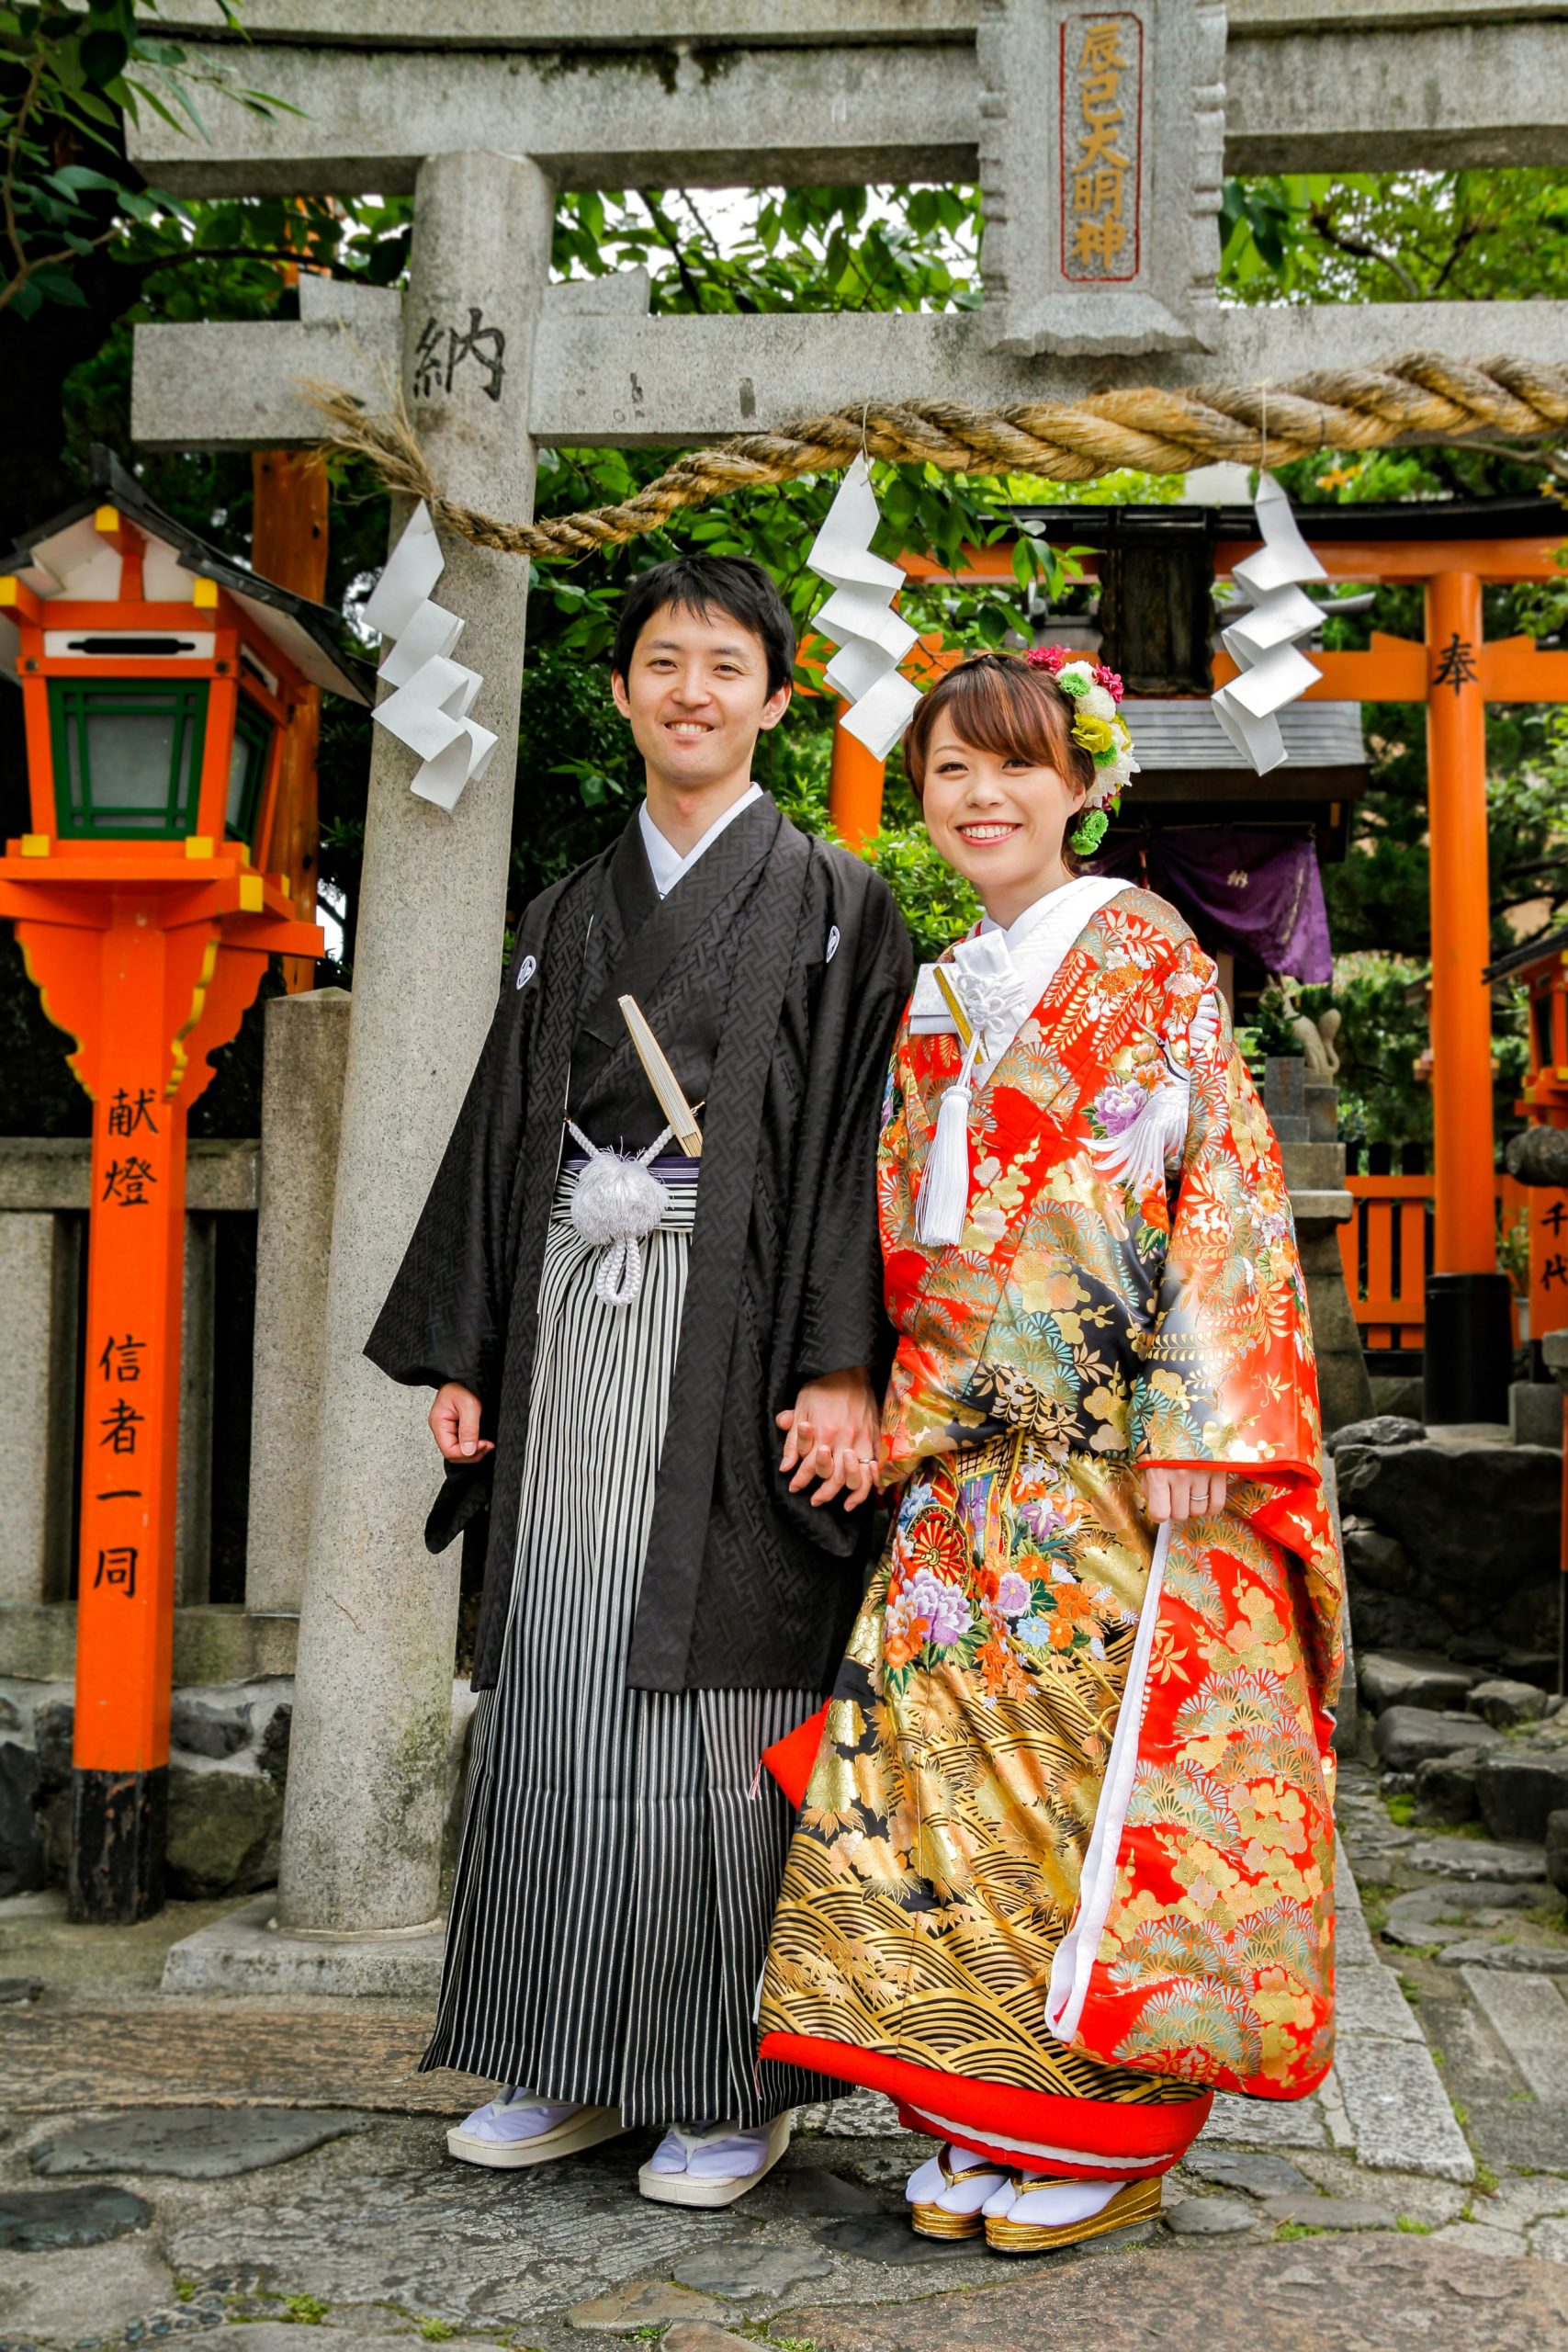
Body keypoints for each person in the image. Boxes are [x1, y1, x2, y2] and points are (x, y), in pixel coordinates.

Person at [759, 650, 1343, 2255]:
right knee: (949, 1792)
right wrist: (878, 1393)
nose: (984, 795)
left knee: (1089, 1795)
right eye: (952, 769)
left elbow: (1220, 1191)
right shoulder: (944, 990)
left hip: (1106, 1461)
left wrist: (1205, 1420)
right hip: (957, 1461)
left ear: (1081, 784)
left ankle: (1103, 2130)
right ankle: (977, 2106)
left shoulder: (1142, 952)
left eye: (1017, 765)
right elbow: (898, 1223)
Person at [367, 554, 913, 2208]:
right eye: (662, 662)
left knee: (724, 1677)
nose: (691, 689)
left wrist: (839, 1365)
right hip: (566, 1324)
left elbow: (857, 1157)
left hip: (739, 1341)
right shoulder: (564, 912)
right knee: (553, 1676)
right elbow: (498, 1132)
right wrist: (464, 1349)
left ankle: (722, 2083)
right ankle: (565, 2053)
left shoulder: (835, 899)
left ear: (774, 697)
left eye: (725, 664)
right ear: (620, 694)